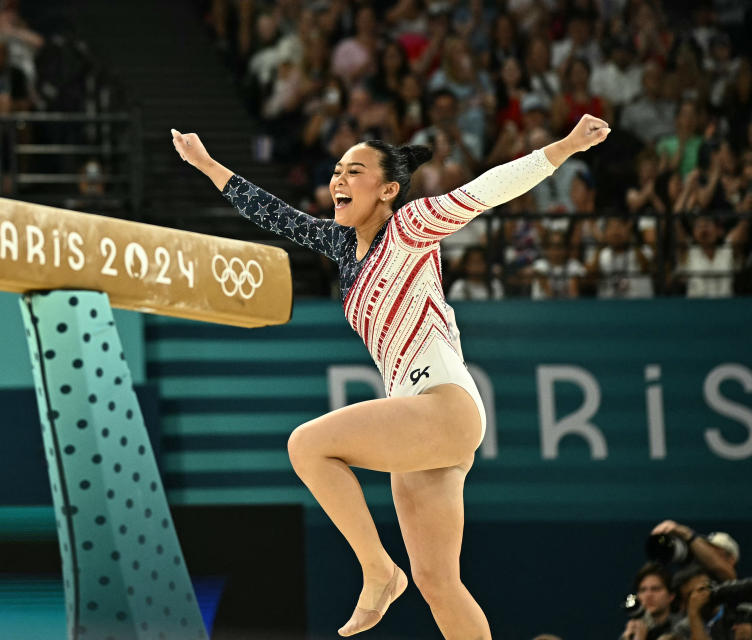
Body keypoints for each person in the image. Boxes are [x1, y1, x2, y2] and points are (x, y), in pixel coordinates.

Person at [170, 112, 611, 638]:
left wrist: (562, 148)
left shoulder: (411, 226)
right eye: (336, 170)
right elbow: (277, 217)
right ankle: (390, 574)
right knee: (438, 583)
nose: (338, 179)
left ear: (387, 190)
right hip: (421, 420)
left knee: (307, 446)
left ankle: (378, 570)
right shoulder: (343, 247)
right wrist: (206, 163)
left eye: (354, 171)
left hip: (442, 402)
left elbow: (484, 192)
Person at [651, 520, 740, 582]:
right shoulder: (683, 578)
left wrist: (686, 533)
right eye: (705, 548)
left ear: (731, 560)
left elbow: (726, 574)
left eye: (714, 550)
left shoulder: (738, 588)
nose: (706, 554)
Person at [621, 562, 682, 640]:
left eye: (655, 589)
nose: (648, 595)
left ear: (671, 596)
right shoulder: (632, 630)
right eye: (643, 590)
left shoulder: (682, 628)